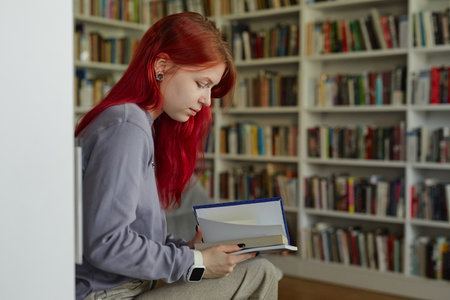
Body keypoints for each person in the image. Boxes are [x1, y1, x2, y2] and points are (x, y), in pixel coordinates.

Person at [75, 12, 278, 300]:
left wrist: (190, 252)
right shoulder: (127, 127)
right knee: (261, 272)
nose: (207, 100)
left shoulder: (141, 125)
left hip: (132, 287)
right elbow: (106, 243)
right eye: (201, 83)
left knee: (257, 269)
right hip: (109, 295)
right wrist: (197, 264)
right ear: (161, 66)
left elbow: (137, 236)